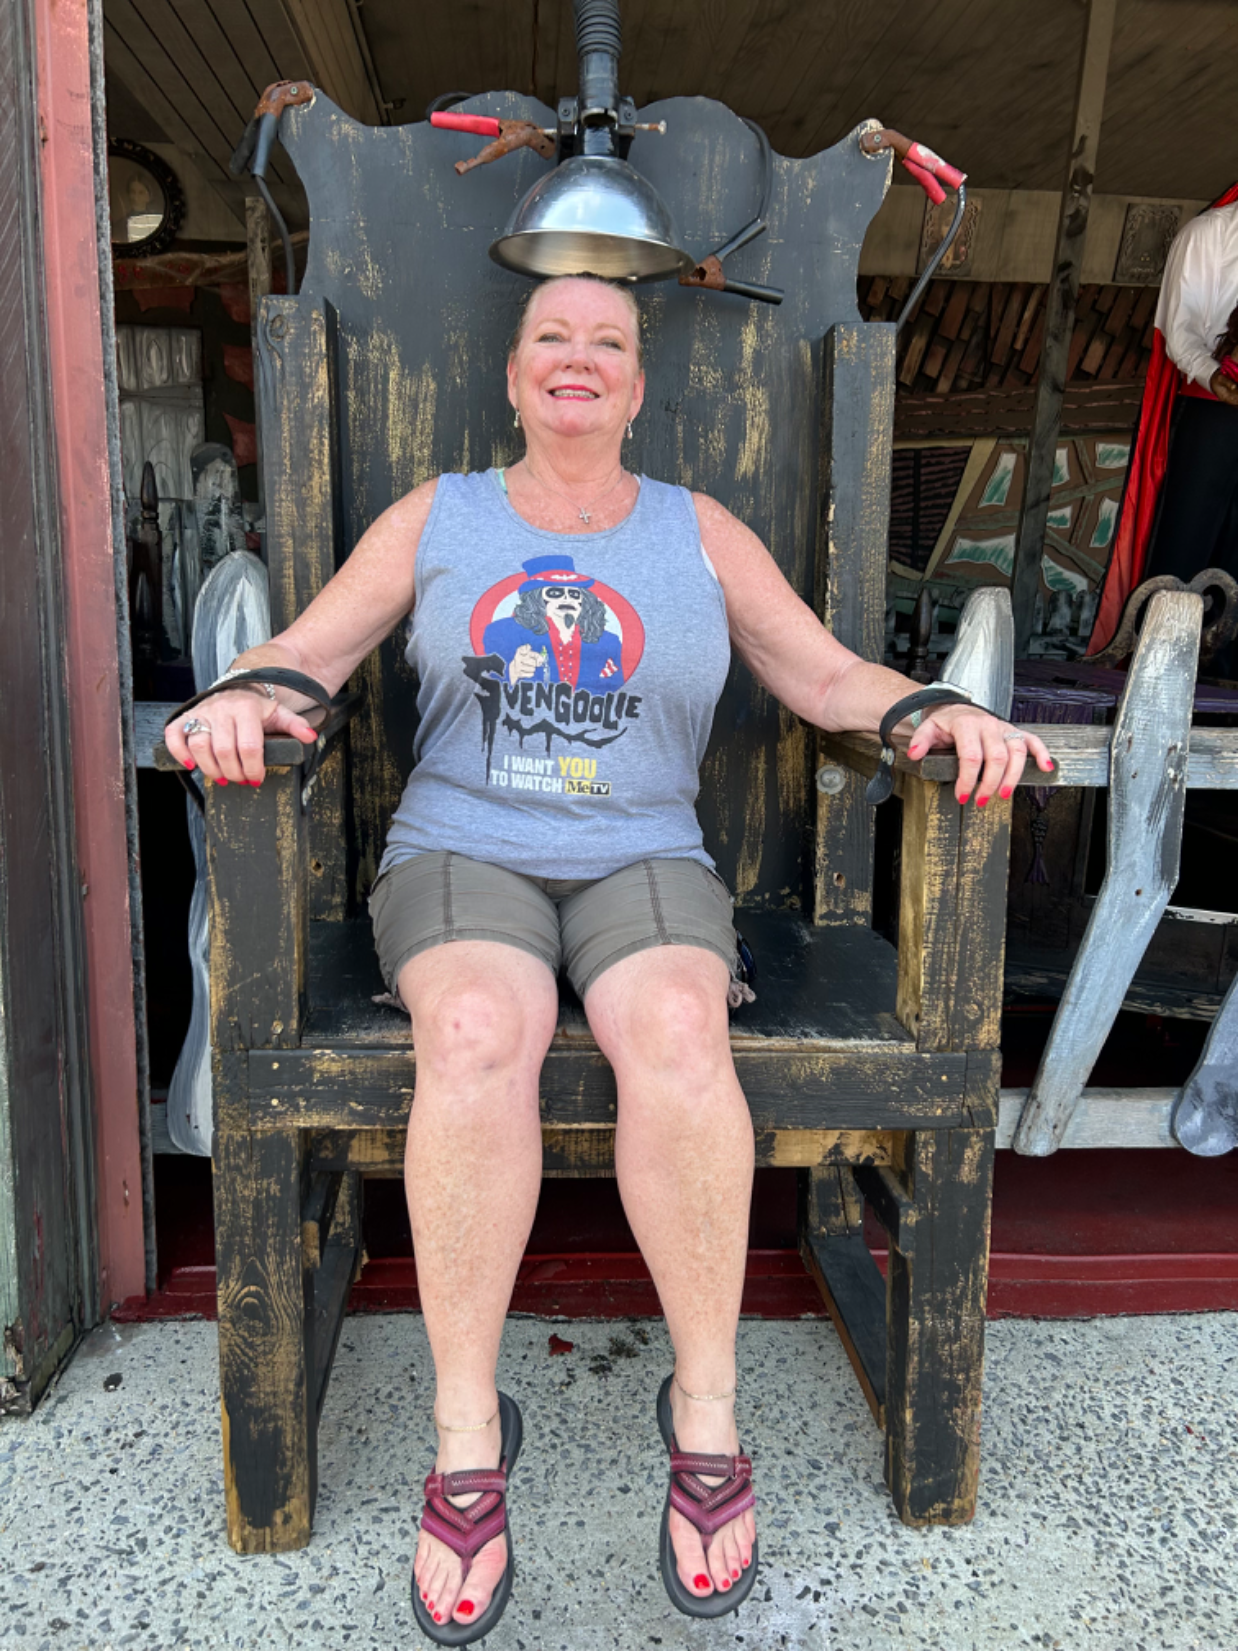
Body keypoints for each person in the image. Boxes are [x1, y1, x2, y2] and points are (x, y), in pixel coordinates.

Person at [164, 275, 1053, 1643]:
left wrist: (933, 708)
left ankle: (704, 1413)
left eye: (607, 343)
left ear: (636, 389)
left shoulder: (696, 530)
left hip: (642, 853)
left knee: (682, 1031)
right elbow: (305, 653)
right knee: (473, 1028)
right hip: (462, 849)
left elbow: (824, 676)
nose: (576, 359)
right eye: (550, 338)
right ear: (512, 377)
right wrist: (238, 700)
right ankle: (468, 1438)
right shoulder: (441, 516)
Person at [1089, 184, 1238, 655]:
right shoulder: (1209, 233)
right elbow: (1181, 326)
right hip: (1214, 409)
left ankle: (1226, 681)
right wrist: (1215, 377)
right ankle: (1159, 661)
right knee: (1185, 548)